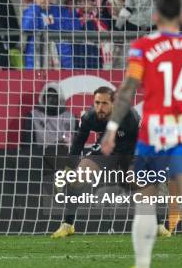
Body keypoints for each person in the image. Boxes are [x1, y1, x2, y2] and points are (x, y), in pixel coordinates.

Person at [101, 0, 182, 268]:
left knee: (145, 201)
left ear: (155, 16)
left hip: (154, 134)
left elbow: (127, 91)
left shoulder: (144, 47)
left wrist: (111, 128)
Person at [51, 86, 140, 238]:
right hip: (105, 150)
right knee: (78, 177)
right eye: (97, 102)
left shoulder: (129, 116)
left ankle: (158, 224)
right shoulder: (90, 117)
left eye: (104, 103)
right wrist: (68, 168)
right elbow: (78, 142)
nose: (100, 107)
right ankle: (68, 224)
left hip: (129, 151)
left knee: (138, 179)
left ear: (114, 103)